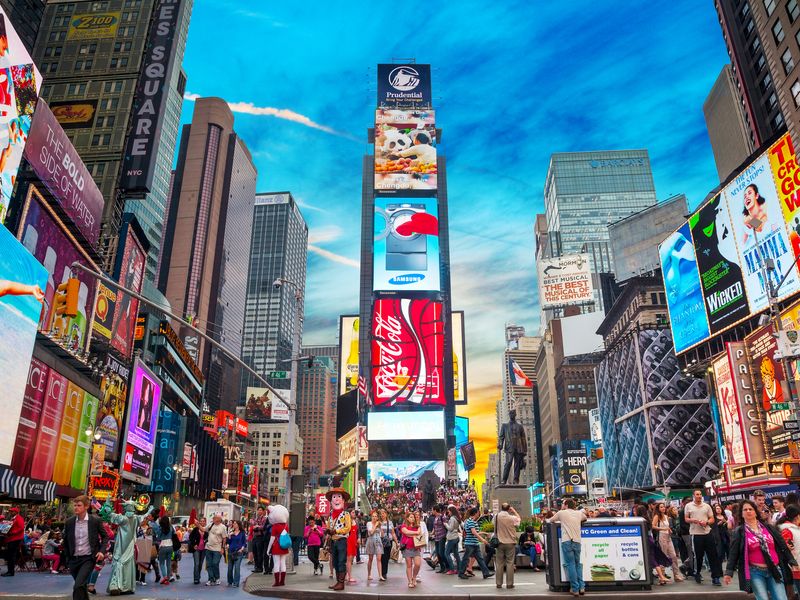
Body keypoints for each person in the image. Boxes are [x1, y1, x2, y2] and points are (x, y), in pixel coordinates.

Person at [724, 499, 797, 600]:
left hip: (774, 569)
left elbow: (782, 545)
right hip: (755, 572)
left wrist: (792, 561)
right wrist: (729, 572)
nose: (748, 511)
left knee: (781, 598)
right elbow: (733, 553)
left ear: (755, 512)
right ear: (741, 514)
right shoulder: (739, 532)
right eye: (745, 510)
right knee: (762, 598)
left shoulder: (768, 528)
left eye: (750, 509)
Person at [63, 495, 109, 600]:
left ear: (86, 506)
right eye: (74, 505)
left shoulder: (95, 521)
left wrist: (102, 551)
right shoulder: (69, 522)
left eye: (79, 505)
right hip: (73, 560)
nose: (76, 507)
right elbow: (65, 540)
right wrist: (67, 558)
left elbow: (105, 537)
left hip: (88, 559)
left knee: (78, 585)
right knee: (81, 586)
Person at [548, 498, 586, 597]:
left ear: (566, 505)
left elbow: (550, 520)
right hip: (577, 541)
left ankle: (575, 588)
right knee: (578, 564)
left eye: (563, 504)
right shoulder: (578, 513)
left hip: (567, 541)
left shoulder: (561, 513)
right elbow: (585, 518)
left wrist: (562, 509)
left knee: (571, 564)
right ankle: (582, 587)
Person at [685, 488, 722, 585]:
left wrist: (707, 522)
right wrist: (693, 520)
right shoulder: (688, 506)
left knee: (713, 555)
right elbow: (686, 519)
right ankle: (697, 573)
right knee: (698, 556)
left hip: (707, 532)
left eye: (700, 494)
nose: (699, 496)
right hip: (696, 534)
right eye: (697, 494)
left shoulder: (707, 506)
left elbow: (712, 519)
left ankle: (716, 577)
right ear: (693, 495)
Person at [636, 505, 670, 585]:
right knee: (652, 558)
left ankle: (661, 576)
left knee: (652, 559)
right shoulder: (647, 519)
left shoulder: (640, 520)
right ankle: (661, 576)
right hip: (650, 539)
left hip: (646, 540)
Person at [326, 488, 352, 591]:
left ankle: (341, 583)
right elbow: (329, 526)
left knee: (341, 561)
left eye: (339, 497)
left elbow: (348, 528)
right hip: (333, 541)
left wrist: (336, 531)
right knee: (335, 562)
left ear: (343, 500)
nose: (336, 499)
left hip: (341, 540)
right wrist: (327, 531)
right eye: (334, 497)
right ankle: (338, 582)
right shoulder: (330, 515)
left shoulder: (346, 514)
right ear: (331, 500)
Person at [458, 507, 493, 580]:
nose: (479, 514)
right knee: (466, 558)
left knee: (480, 559)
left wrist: (484, 533)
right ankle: (461, 573)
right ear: (475, 513)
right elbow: (474, 532)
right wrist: (482, 539)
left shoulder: (471, 521)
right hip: (470, 544)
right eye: (478, 512)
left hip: (474, 543)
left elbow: (474, 532)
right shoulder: (470, 521)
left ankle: (486, 573)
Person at [653, 502, 684, 581]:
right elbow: (653, 526)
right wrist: (663, 529)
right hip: (662, 536)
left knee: (673, 555)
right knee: (663, 555)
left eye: (663, 507)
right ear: (658, 509)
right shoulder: (657, 516)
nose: (663, 508)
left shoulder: (667, 516)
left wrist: (669, 529)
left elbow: (667, 526)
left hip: (668, 537)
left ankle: (676, 575)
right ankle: (662, 576)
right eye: (661, 507)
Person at [495, 503, 521, 589]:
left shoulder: (496, 516)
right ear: (509, 509)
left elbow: (493, 524)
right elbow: (519, 520)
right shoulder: (512, 518)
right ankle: (509, 584)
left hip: (499, 542)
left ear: (501, 508)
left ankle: (499, 583)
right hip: (510, 542)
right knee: (510, 563)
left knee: (499, 563)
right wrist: (514, 511)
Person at [777, 504, 800, 600]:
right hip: (797, 568)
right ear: (797, 516)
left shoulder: (795, 529)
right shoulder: (787, 530)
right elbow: (787, 550)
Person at [266, 505, 290, 587]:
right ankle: (282, 581)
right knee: (283, 563)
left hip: (276, 546)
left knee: (276, 564)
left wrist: (268, 549)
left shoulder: (275, 526)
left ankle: (277, 582)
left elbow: (272, 539)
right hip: (284, 546)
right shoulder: (286, 526)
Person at [399, 512, 424, 588]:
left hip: (416, 548)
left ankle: (414, 577)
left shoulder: (418, 526)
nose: (412, 518)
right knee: (409, 565)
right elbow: (406, 533)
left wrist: (414, 533)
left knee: (417, 564)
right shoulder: (403, 526)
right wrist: (415, 533)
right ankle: (410, 581)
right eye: (410, 517)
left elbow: (419, 533)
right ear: (407, 518)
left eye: (413, 517)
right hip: (407, 548)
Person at [148, 515, 173, 586]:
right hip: (170, 546)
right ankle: (168, 578)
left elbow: (158, 537)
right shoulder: (171, 528)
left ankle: (164, 577)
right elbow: (174, 535)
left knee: (161, 563)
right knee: (168, 563)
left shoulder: (161, 528)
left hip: (163, 546)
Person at [205, 515, 227, 586]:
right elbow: (203, 529)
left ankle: (217, 578)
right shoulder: (210, 524)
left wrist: (222, 548)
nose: (213, 518)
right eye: (213, 518)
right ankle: (210, 579)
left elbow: (224, 538)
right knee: (208, 564)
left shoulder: (223, 527)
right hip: (208, 547)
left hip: (217, 548)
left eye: (214, 518)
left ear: (218, 519)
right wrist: (198, 525)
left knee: (215, 563)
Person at [1, 507, 24, 576]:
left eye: (12, 512)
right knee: (10, 555)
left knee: (11, 555)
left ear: (15, 512)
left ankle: (11, 572)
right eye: (10, 511)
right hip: (11, 538)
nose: (10, 513)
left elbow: (21, 528)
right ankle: (10, 571)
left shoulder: (19, 518)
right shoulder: (13, 519)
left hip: (15, 539)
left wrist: (12, 532)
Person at [226, 520, 247, 587]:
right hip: (231, 551)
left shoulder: (242, 533)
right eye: (233, 524)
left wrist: (242, 549)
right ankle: (230, 582)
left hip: (238, 552)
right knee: (230, 568)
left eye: (235, 523)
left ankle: (236, 583)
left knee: (237, 568)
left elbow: (244, 542)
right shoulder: (231, 532)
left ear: (238, 524)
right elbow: (228, 542)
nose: (233, 524)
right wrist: (229, 536)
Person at [365, 510, 384, 581]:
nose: (374, 517)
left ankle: (380, 575)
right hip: (371, 541)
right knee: (370, 559)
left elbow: (381, 535)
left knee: (379, 559)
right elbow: (371, 533)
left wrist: (381, 528)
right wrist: (375, 525)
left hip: (378, 541)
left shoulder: (379, 524)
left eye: (375, 516)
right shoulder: (369, 523)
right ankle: (369, 574)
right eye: (373, 516)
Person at [678, 496, 695, 577]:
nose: (690, 502)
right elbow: (683, 525)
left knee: (693, 552)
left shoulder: (691, 510)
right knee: (691, 552)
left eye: (691, 501)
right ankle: (689, 568)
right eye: (688, 501)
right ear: (683, 502)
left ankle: (686, 567)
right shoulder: (682, 511)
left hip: (693, 532)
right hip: (686, 534)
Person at [378, 509, 396, 581]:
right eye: (381, 513)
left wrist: (397, 542)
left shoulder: (390, 522)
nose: (382, 515)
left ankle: (384, 572)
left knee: (387, 557)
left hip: (388, 541)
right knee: (382, 558)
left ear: (386, 514)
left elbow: (393, 533)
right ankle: (383, 573)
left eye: (383, 513)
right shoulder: (378, 523)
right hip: (380, 541)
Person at [188, 518, 207, 585]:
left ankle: (198, 577)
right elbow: (190, 538)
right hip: (196, 549)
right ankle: (196, 579)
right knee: (197, 564)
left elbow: (209, 538)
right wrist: (194, 544)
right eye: (201, 521)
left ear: (205, 522)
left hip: (204, 549)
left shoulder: (207, 530)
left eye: (203, 521)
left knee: (200, 564)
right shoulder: (195, 529)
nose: (202, 522)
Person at [444, 505, 461, 576]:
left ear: (451, 511)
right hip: (456, 537)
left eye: (449, 511)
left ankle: (452, 569)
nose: (448, 513)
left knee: (447, 553)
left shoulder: (452, 518)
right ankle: (459, 569)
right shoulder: (457, 518)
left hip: (451, 538)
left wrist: (446, 524)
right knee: (456, 554)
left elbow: (450, 528)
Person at [251, 506, 268, 574]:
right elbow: (253, 525)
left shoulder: (265, 519)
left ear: (263, 511)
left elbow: (263, 527)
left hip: (260, 537)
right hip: (254, 536)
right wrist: (256, 526)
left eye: (261, 510)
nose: (259, 511)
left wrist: (258, 527)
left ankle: (260, 567)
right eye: (258, 510)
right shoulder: (256, 518)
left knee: (259, 553)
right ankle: (256, 566)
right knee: (254, 552)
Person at [346, 509, 359, 583]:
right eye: (353, 512)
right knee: (349, 560)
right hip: (349, 541)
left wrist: (357, 538)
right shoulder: (348, 521)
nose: (354, 513)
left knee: (350, 560)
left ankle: (347, 575)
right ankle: (349, 576)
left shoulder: (355, 521)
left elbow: (356, 531)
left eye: (354, 512)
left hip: (353, 541)